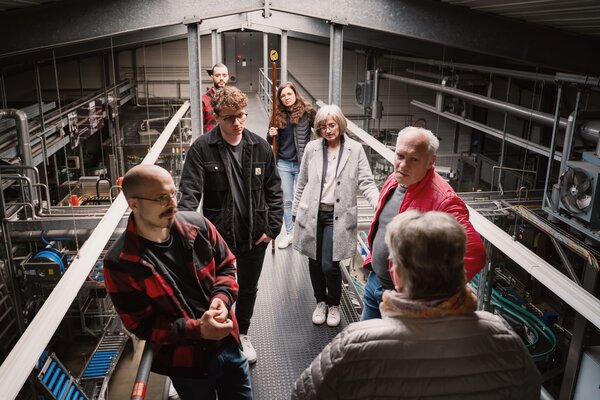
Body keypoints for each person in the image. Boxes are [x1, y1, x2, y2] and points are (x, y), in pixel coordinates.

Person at [291, 210, 541, 400]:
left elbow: (303, 395)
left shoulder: (355, 345)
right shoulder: (505, 340)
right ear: (460, 270)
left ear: (396, 274)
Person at [103, 165, 251, 400]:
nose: (172, 204)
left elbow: (227, 265)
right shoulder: (121, 262)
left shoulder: (197, 226)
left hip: (228, 346)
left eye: (173, 194)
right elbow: (141, 325)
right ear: (133, 203)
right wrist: (198, 330)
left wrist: (221, 299)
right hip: (187, 365)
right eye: (161, 198)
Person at [179, 86, 283, 364]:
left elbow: (274, 189)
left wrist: (271, 229)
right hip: (219, 240)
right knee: (216, 290)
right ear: (217, 117)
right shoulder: (202, 148)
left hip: (254, 236)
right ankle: (220, 336)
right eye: (229, 118)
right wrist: (184, 236)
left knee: (248, 288)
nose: (237, 122)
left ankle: (243, 333)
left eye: (241, 116)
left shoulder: (259, 146)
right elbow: (189, 195)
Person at [361, 126, 487, 320]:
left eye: (414, 159)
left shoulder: (443, 199)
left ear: (431, 161)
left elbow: (476, 253)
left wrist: (431, 295)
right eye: (400, 156)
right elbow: (383, 225)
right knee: (366, 348)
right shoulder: (394, 181)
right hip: (374, 284)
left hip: (406, 301)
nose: (403, 165)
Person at [293, 104, 379, 327]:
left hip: (337, 216)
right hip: (312, 213)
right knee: (313, 259)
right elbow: (301, 182)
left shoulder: (355, 149)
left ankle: (334, 304)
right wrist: (295, 211)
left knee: (329, 264)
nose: (328, 130)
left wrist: (379, 204)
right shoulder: (312, 149)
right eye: (322, 126)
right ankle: (320, 301)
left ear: (340, 123)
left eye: (331, 125)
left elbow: (367, 182)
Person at [268, 82, 315, 249]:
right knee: (287, 200)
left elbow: (320, 128)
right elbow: (269, 140)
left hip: (303, 163)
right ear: (280, 99)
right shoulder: (276, 115)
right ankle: (289, 234)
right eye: (283, 96)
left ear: (295, 94)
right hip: (283, 163)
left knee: (303, 199)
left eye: (289, 94)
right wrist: (270, 133)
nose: (286, 98)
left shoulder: (307, 112)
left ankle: (303, 232)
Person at [202, 63, 229, 133]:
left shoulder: (232, 97)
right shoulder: (203, 100)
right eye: (217, 75)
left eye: (224, 75)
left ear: (228, 77)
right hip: (209, 142)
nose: (221, 78)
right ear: (212, 77)